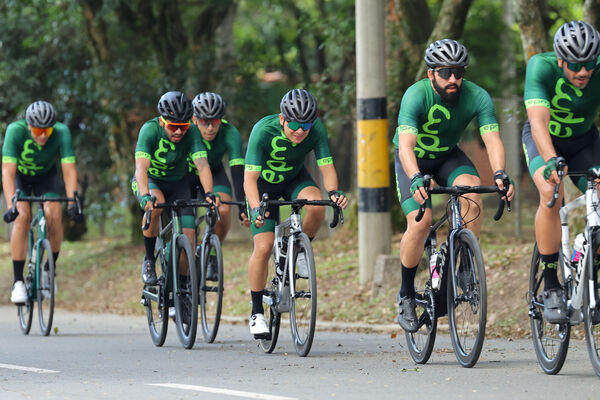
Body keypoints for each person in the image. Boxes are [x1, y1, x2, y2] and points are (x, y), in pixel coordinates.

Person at [394, 39, 514, 332]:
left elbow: (492, 138)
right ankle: (406, 293)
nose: (453, 79)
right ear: (430, 73)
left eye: (458, 72)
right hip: (413, 162)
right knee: (420, 223)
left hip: (447, 156)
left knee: (471, 192)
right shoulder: (415, 96)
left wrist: (500, 172)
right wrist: (414, 177)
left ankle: (464, 267)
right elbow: (406, 147)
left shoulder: (477, 96)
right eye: (445, 72)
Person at [244, 89, 348, 337]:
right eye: (294, 124)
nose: (301, 130)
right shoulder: (262, 130)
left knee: (316, 204)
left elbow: (326, 166)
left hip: (293, 179)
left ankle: (300, 249)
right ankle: (257, 312)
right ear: (282, 119)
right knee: (264, 246)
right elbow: (249, 180)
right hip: (262, 187)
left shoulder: (316, 130)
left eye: (307, 124)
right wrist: (257, 206)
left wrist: (333, 192)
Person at [522, 20, 600, 323]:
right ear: (560, 60)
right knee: (551, 193)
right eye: (575, 65)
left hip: (584, 141)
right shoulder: (540, 67)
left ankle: (590, 267)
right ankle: (552, 282)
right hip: (545, 141)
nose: (583, 72)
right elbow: (539, 122)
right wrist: (552, 159)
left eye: (589, 63)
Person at [2, 100, 83, 304]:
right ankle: (18, 281)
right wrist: (11, 206)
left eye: (47, 131)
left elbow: (69, 170)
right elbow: (7, 172)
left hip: (46, 178)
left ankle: (49, 269)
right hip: (21, 177)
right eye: (38, 130)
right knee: (22, 217)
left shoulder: (61, 132)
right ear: (29, 126)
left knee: (54, 214)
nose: (42, 135)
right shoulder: (15, 131)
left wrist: (73, 203)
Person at [132, 91, 215, 286]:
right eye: (174, 126)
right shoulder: (149, 130)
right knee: (156, 205)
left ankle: (184, 288)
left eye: (183, 126)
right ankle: (149, 259)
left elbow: (202, 165)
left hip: (178, 184)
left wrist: (210, 193)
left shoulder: (193, 131)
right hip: (151, 181)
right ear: (162, 122)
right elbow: (141, 167)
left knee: (189, 237)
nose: (179, 132)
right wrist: (144, 195)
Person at [188, 92, 249, 281]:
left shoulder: (230, 133)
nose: (210, 127)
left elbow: (238, 173)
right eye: (204, 121)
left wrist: (242, 207)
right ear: (194, 119)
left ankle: (212, 254)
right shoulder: (186, 130)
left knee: (223, 210)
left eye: (215, 121)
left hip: (214, 173)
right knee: (186, 225)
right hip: (185, 175)